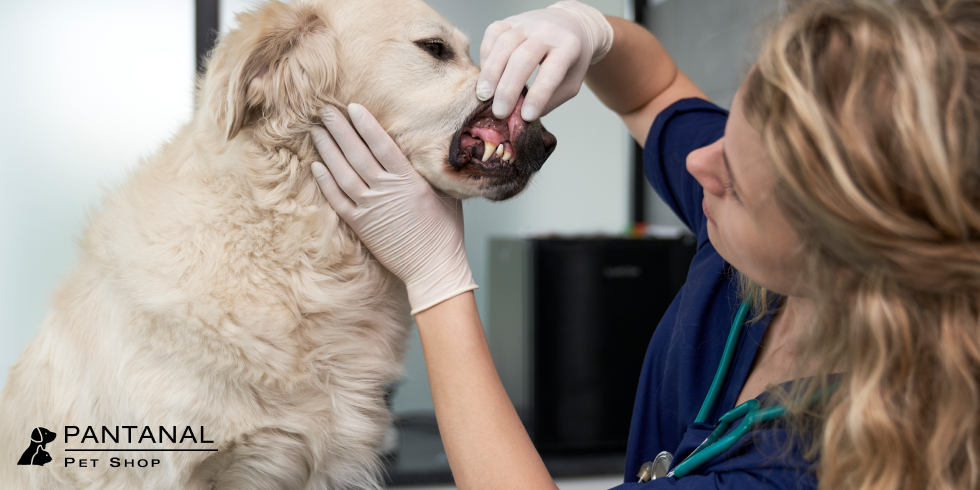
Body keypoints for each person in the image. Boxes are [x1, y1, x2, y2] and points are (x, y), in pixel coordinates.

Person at [308, 0, 980, 488]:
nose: (697, 166)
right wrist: (590, 31)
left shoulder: (809, 467)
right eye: (727, 127)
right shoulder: (750, 235)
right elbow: (653, 89)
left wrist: (437, 278)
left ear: (843, 256)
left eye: (737, 183)